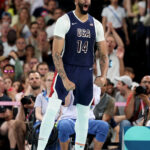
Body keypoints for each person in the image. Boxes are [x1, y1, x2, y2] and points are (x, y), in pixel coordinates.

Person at [37, 0, 109, 150]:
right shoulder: (64, 21)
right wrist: (64, 78)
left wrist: (103, 76)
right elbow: (56, 54)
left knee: (83, 115)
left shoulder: (96, 24)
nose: (86, 1)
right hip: (67, 68)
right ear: (76, 1)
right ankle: (39, 148)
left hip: (86, 72)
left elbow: (103, 55)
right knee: (51, 109)